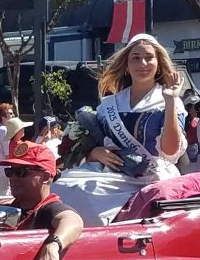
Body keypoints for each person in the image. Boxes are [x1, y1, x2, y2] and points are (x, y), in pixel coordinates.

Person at [49, 33, 186, 225]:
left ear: (159, 65)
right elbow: (91, 144)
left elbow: (171, 153)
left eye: (149, 58)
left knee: (88, 193)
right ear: (127, 66)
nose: (143, 64)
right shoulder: (109, 104)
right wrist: (94, 153)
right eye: (136, 58)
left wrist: (170, 100)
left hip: (151, 176)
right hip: (113, 172)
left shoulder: (169, 102)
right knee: (61, 185)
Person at [0, 141, 84, 260]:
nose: (13, 178)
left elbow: (73, 221)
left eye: (21, 172)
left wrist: (53, 245)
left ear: (46, 177)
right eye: (9, 172)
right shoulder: (4, 206)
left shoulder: (48, 208)